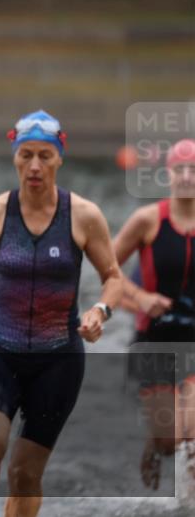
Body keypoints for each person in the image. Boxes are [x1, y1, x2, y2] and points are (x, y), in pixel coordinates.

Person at [0, 110, 123, 517]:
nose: (34, 166)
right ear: (14, 157)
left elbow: (113, 276)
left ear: (60, 158)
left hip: (58, 359)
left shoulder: (83, 215)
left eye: (44, 156)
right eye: (25, 154)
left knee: (25, 474)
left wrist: (100, 310)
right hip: (0, 351)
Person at [113, 138, 195, 489]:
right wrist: (141, 298)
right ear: (168, 174)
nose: (188, 177)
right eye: (181, 169)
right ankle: (155, 444)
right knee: (171, 440)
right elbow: (107, 271)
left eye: (194, 170)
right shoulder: (146, 221)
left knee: (194, 434)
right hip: (154, 342)